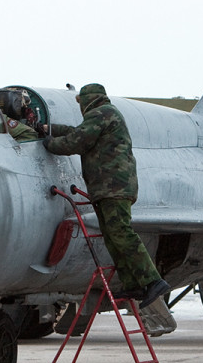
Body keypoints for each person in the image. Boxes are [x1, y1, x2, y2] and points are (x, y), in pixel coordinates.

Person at [42, 83, 171, 308]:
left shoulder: (101, 114)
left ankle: (152, 281)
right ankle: (133, 284)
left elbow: (77, 141)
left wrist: (50, 143)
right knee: (112, 236)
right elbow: (78, 132)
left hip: (114, 188)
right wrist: (50, 128)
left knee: (121, 233)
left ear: (87, 100)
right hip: (108, 188)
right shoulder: (104, 115)